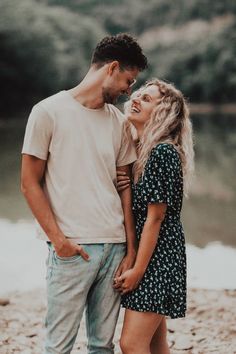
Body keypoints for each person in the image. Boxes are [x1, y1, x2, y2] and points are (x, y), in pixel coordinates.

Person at [21, 33, 147, 354]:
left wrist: (130, 250)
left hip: (115, 248)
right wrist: (59, 241)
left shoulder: (118, 122)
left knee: (101, 346)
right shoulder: (47, 112)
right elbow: (29, 183)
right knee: (58, 346)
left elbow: (125, 187)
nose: (128, 91)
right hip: (73, 250)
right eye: (128, 80)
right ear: (112, 67)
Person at [114, 79, 194, 354]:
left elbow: (155, 219)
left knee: (131, 343)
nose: (135, 99)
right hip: (156, 255)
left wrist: (137, 269)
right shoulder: (143, 152)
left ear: (163, 113)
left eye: (146, 99)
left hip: (157, 258)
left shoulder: (162, 153)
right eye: (138, 94)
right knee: (155, 345)